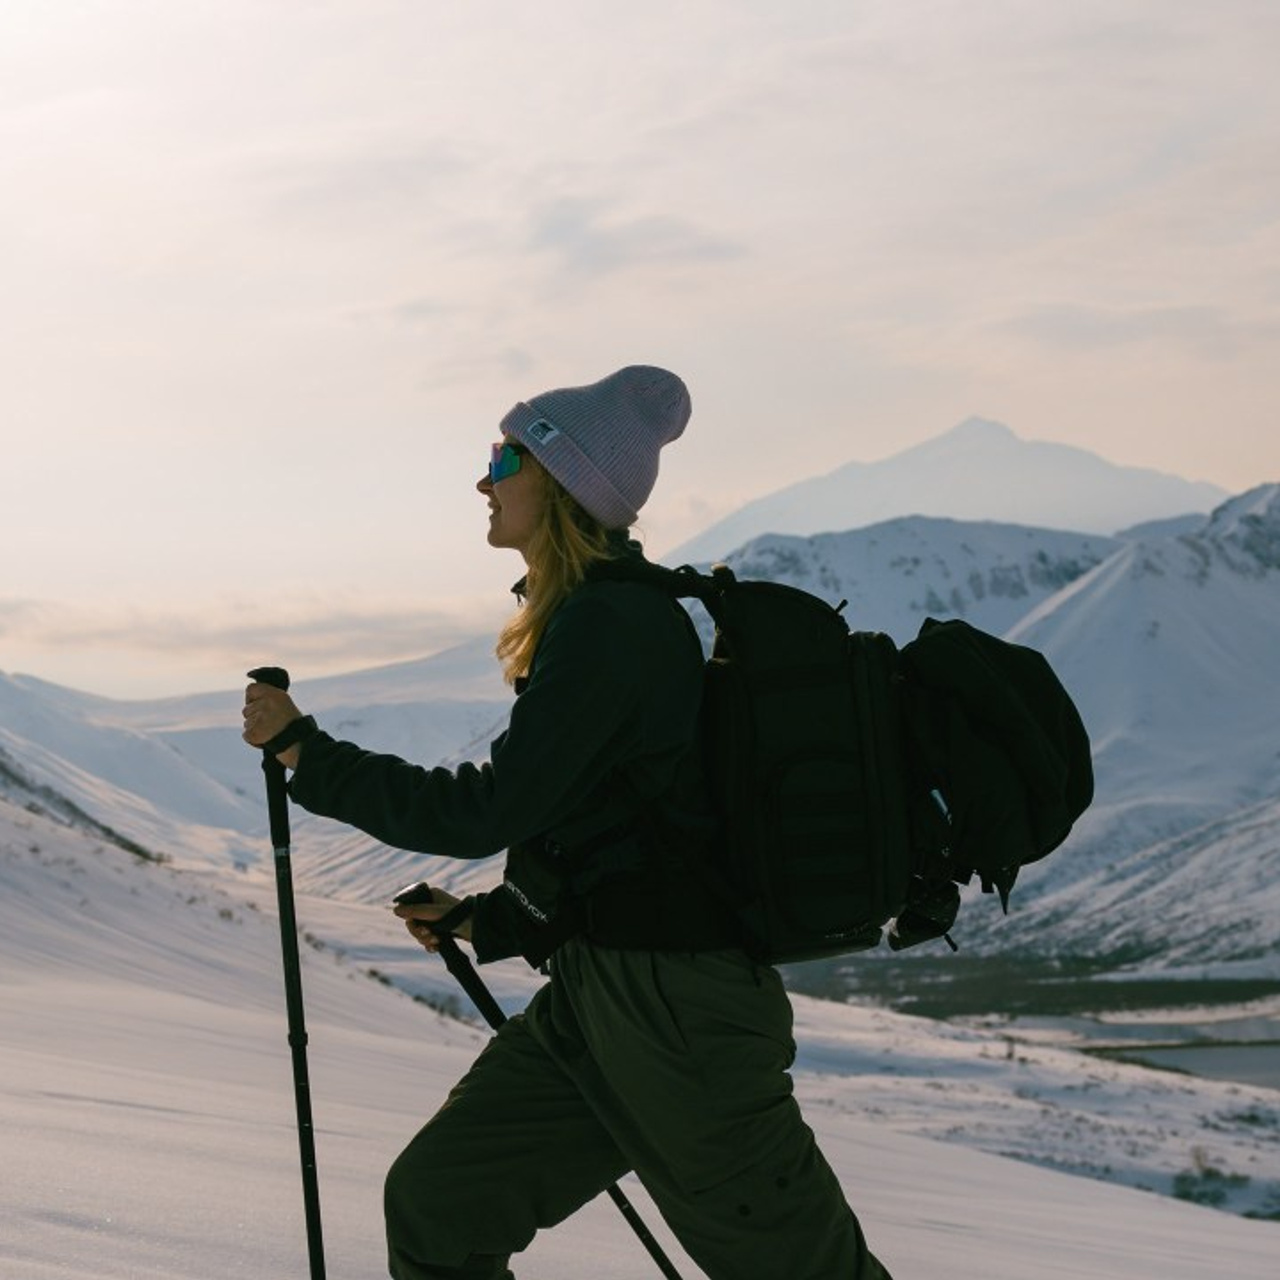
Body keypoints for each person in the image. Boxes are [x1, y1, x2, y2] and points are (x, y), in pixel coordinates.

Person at [242, 365, 894, 1280]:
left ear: (563, 480)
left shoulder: (615, 627)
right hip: (602, 997)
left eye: (506, 455)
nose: (485, 479)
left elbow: (489, 809)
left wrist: (310, 753)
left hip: (679, 1016)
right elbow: (619, 831)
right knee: (441, 1206)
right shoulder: (598, 619)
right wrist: (490, 921)